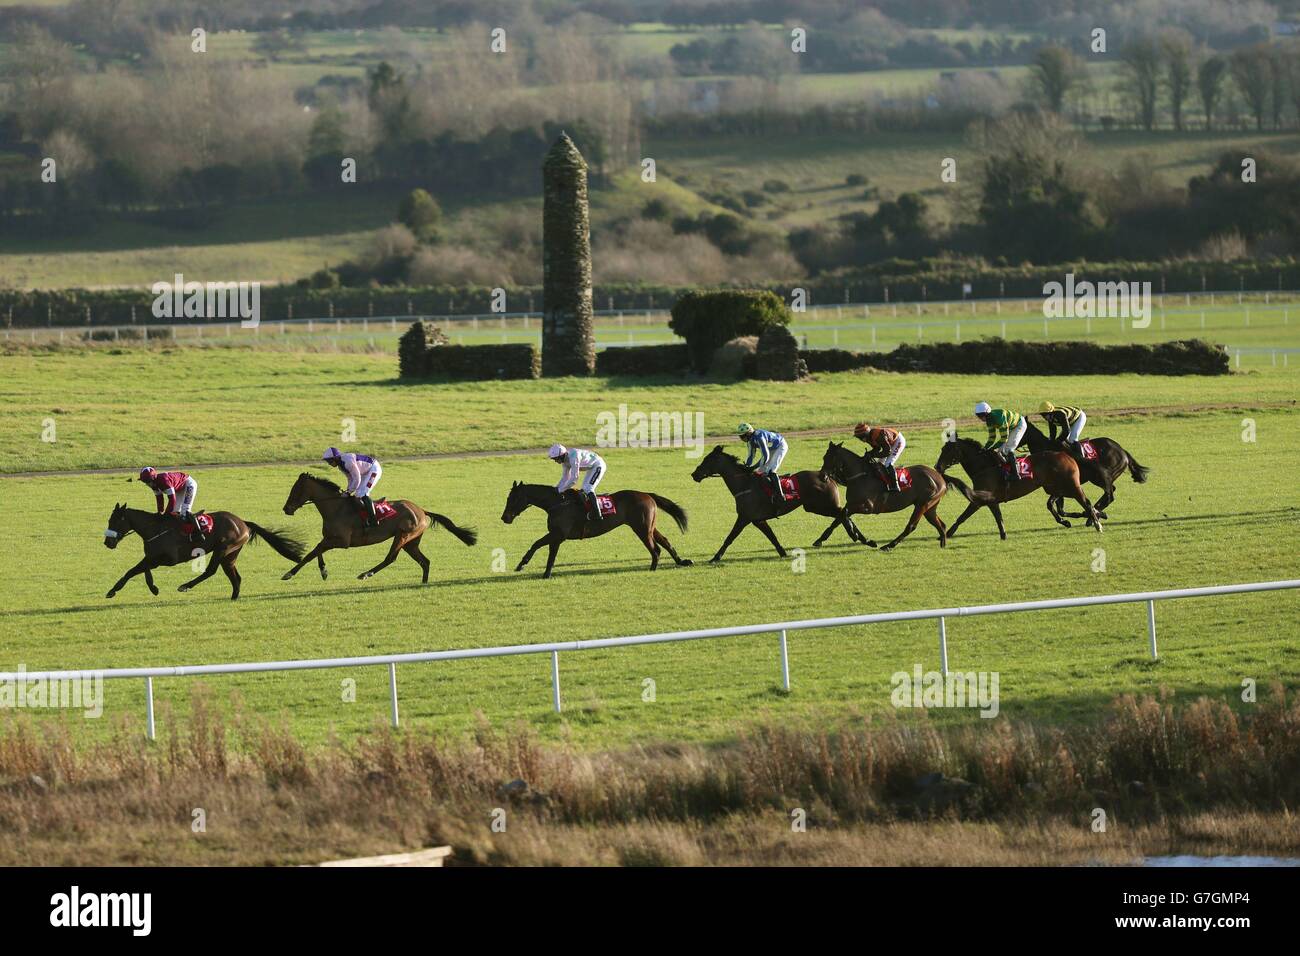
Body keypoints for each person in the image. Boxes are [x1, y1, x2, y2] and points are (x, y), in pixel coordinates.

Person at [323, 447, 382, 528]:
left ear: (336, 458)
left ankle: (374, 520)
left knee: (362, 493)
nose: (329, 463)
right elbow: (350, 478)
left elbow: (357, 479)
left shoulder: (347, 462)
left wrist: (348, 492)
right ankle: (364, 516)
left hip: (374, 468)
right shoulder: (341, 466)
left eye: (329, 461)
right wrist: (347, 490)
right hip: (365, 472)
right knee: (358, 494)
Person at [139, 466, 201, 541]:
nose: (147, 484)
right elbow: (159, 499)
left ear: (152, 479)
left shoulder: (164, 481)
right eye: (144, 481)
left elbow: (172, 499)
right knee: (174, 512)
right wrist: (160, 512)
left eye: (147, 481)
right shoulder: (153, 484)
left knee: (185, 511)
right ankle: (178, 533)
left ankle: (198, 533)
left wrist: (166, 514)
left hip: (188, 484)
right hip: (179, 489)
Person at [549, 443, 607, 521]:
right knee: (584, 489)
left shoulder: (573, 456)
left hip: (598, 465)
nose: (555, 461)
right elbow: (565, 478)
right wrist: (556, 488)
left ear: (562, 455)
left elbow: (574, 479)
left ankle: (597, 514)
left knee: (588, 488)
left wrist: (561, 490)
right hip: (592, 467)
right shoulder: (565, 462)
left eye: (556, 458)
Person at [973, 401, 1027, 480]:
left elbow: (1004, 438)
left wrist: (992, 448)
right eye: (978, 416)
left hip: (1019, 424)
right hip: (1011, 426)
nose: (981, 418)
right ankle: (1007, 470)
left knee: (1007, 449)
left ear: (987, 413)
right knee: (999, 451)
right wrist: (985, 448)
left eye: (981, 415)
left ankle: (1016, 474)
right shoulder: (989, 421)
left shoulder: (999, 418)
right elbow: (992, 437)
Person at [853, 422, 905, 492]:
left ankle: (895, 486)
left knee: (888, 463)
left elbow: (887, 452)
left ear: (865, 434)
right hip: (888, 445)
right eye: (858, 437)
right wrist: (869, 453)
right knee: (879, 465)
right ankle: (884, 483)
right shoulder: (869, 437)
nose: (860, 439)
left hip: (897, 441)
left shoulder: (879, 435)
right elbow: (877, 448)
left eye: (860, 437)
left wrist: (873, 455)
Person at [738, 422, 786, 496]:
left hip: (780, 446)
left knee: (771, 471)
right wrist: (747, 465)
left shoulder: (760, 437)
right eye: (740, 436)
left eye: (742, 436)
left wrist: (753, 467)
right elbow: (751, 455)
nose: (741, 439)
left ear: (748, 433)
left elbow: (765, 456)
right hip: (771, 449)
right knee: (760, 472)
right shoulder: (750, 441)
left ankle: (780, 495)